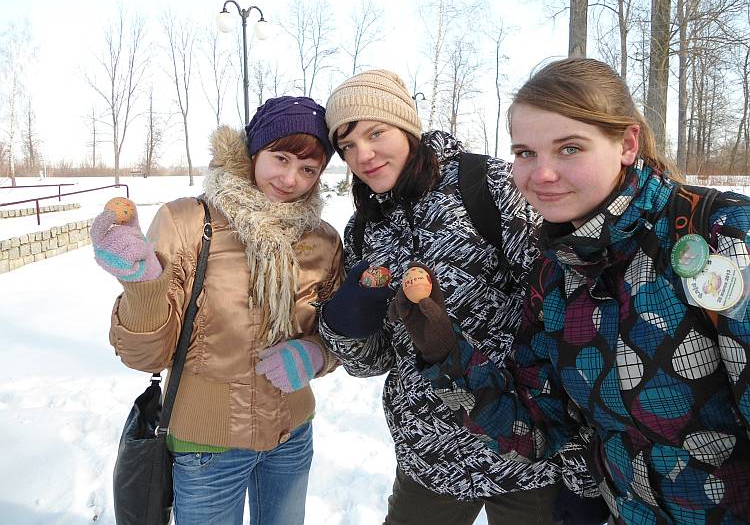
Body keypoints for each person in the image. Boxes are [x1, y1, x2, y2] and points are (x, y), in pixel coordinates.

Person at [409, 58, 750, 523]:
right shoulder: (555, 273)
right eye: (525, 152)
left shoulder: (719, 236)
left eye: (569, 148)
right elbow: (539, 425)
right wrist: (445, 353)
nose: (542, 173)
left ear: (627, 144)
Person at [318, 69, 596, 524]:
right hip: (430, 457)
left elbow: (565, 320)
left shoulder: (487, 185)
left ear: (406, 126)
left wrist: (580, 468)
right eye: (347, 146)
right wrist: (348, 328)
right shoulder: (364, 229)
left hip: (526, 455)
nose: (362, 155)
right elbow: (375, 361)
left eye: (375, 133)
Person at [91, 96, 344, 525]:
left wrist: (318, 352)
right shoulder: (188, 222)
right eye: (280, 158)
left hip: (291, 437)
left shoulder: (322, 240)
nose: (290, 179)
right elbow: (146, 356)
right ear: (253, 152)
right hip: (206, 451)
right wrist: (143, 284)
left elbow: (342, 332)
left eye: (308, 169)